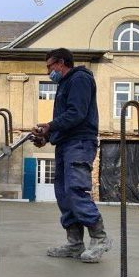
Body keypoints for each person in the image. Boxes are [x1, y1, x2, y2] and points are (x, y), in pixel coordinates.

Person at [31, 48, 112, 263]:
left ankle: (100, 238)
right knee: (64, 194)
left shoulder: (79, 79)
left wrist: (49, 126)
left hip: (80, 142)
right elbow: (65, 120)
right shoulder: (63, 85)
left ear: (61, 62)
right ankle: (75, 243)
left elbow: (77, 113)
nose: (49, 71)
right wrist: (46, 137)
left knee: (76, 189)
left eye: (50, 66)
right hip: (66, 143)